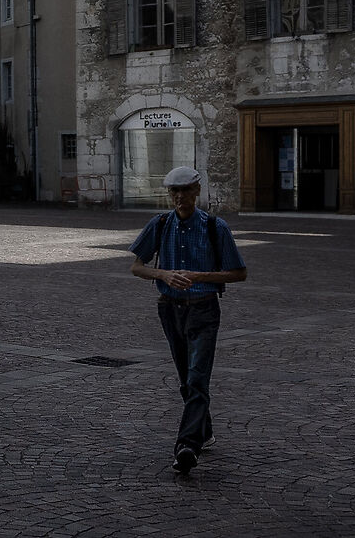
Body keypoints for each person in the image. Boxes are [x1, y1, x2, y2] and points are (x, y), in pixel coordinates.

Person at [127, 165, 246, 476]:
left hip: (204, 308)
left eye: (186, 191)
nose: (180, 197)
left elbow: (239, 272)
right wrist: (163, 273)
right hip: (169, 308)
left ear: (197, 191)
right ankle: (204, 431)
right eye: (174, 192)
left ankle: (187, 446)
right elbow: (137, 267)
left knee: (197, 377)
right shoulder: (161, 224)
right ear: (170, 194)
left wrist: (200, 276)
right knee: (185, 378)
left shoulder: (215, 227)